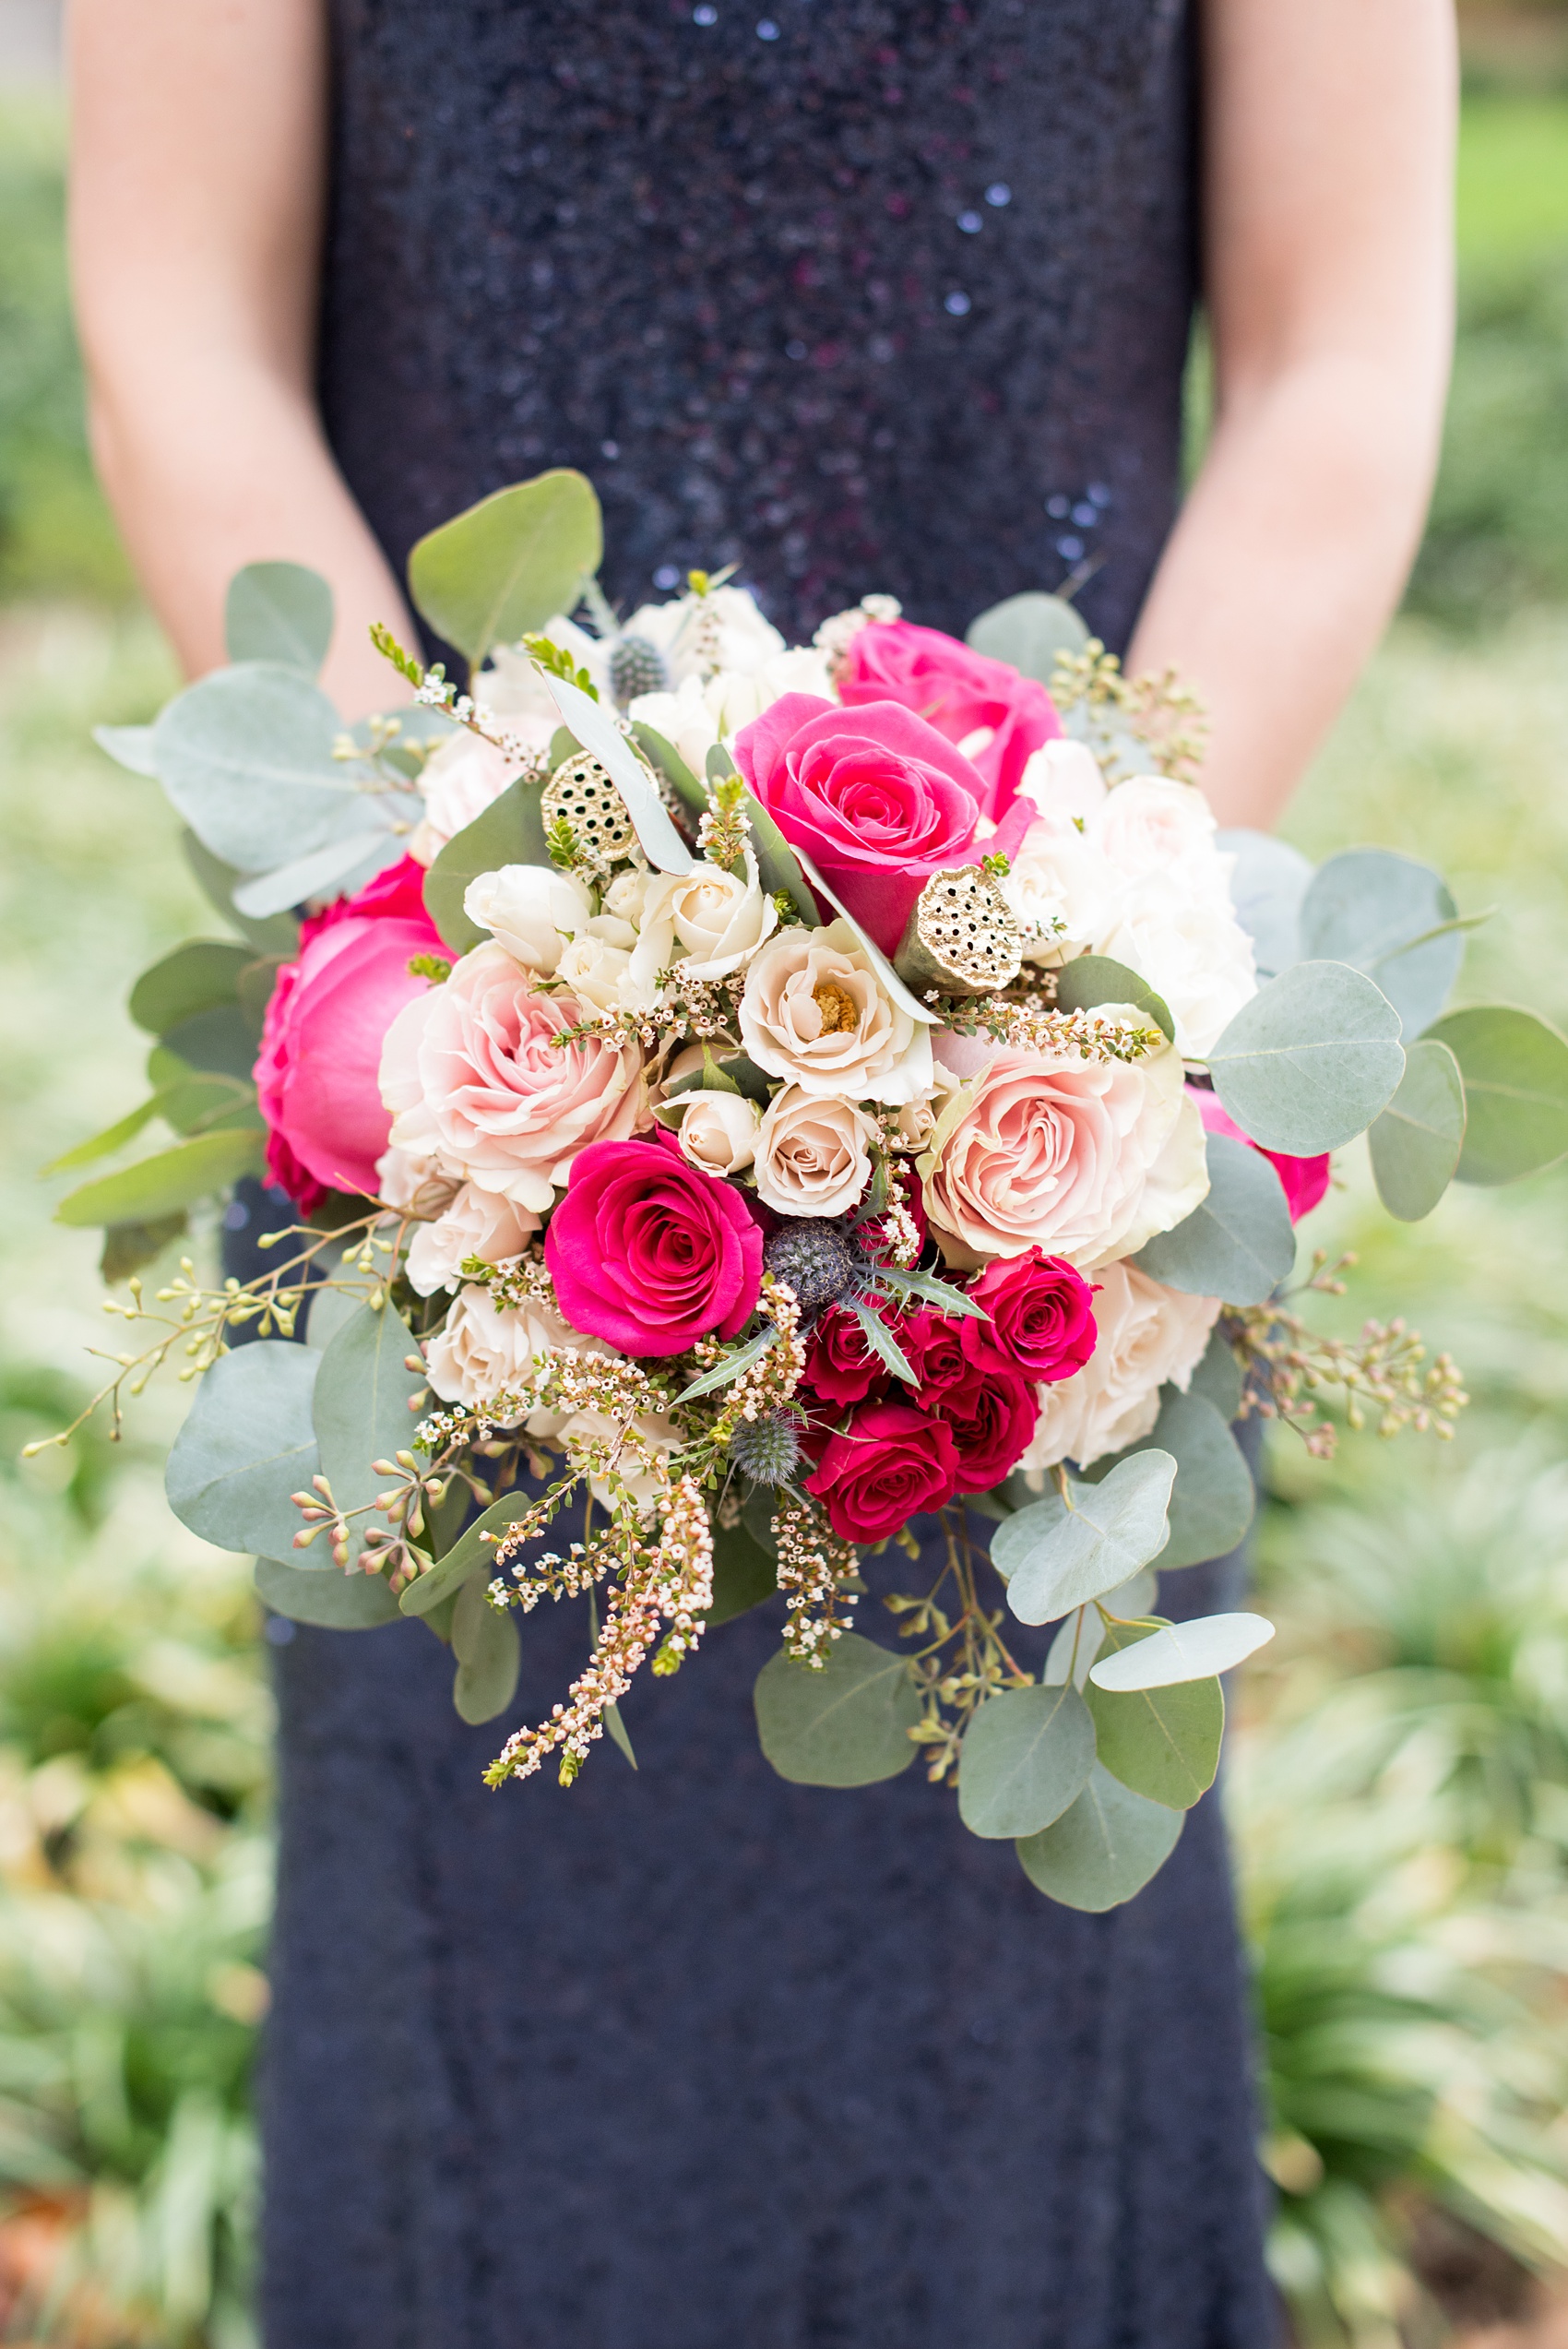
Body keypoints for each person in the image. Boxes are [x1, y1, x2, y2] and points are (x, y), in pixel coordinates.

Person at [67, 4, 1456, 2343]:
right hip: (462, 1109)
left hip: (1048, 1184)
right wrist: (490, 941)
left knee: (1010, 2044)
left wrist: (1062, 970)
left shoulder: (1060, 1091)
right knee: (486, 2078)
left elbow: (1340, 353)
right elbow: (178, 323)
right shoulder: (470, 1056)